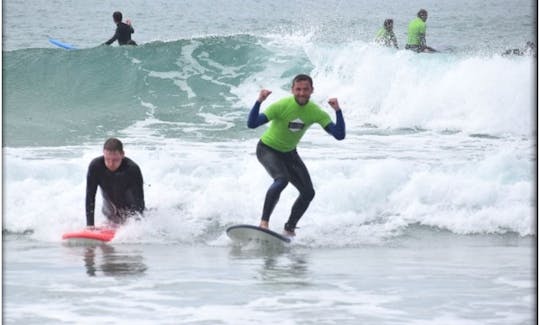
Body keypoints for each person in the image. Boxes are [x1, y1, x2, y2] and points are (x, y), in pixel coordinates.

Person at [247, 74, 346, 236]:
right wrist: (259, 101)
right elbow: (252, 124)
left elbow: (339, 135)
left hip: (289, 153)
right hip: (267, 149)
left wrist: (338, 111)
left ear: (312, 90)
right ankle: (264, 223)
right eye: (298, 89)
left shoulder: (314, 112)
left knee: (308, 193)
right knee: (281, 180)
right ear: (292, 90)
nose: (301, 93)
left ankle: (290, 228)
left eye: (305, 89)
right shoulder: (281, 105)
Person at [85, 138, 145, 227]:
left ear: (122, 155)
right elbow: (90, 196)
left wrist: (136, 226)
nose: (111, 163)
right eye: (107, 159)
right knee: (109, 214)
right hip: (109, 214)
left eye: (115, 160)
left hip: (129, 214)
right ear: (103, 153)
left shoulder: (132, 169)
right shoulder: (95, 166)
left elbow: (139, 200)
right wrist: (90, 225)